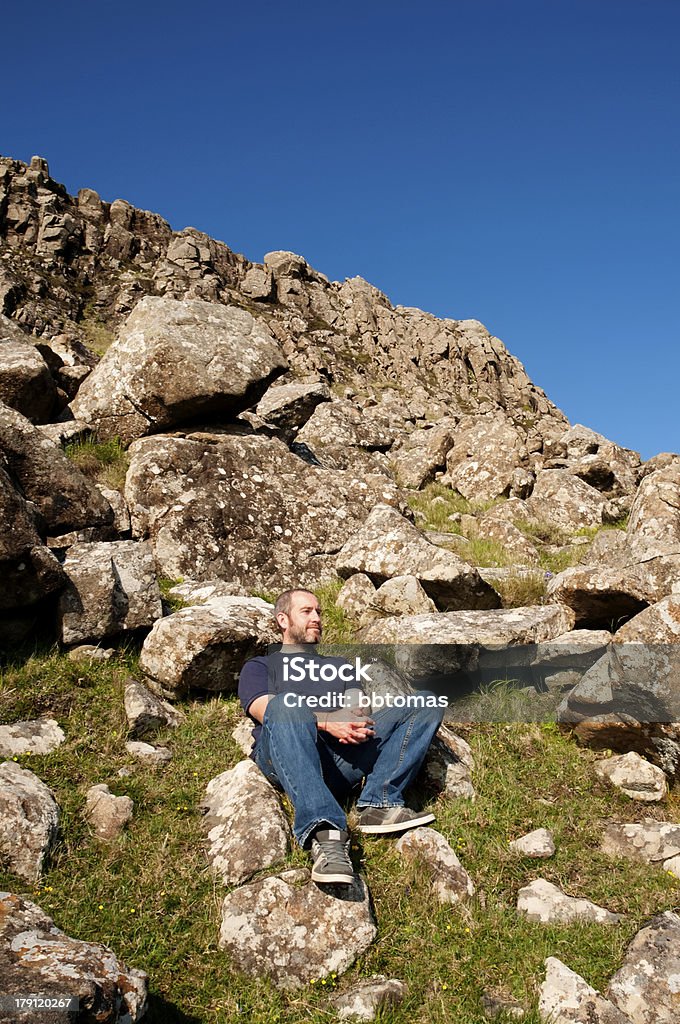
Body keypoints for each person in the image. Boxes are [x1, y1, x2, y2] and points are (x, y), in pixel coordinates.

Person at [238, 588, 445, 885]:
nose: (317, 618)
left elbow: (357, 704)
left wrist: (349, 719)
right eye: (307, 611)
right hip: (286, 755)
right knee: (287, 704)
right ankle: (326, 832)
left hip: (339, 759)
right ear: (283, 620)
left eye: (319, 612)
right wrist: (325, 721)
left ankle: (379, 804)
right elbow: (263, 709)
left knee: (425, 701)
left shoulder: (340, 666)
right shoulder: (261, 666)